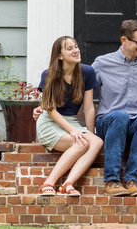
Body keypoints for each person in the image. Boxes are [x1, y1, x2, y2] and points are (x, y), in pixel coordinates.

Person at [91, 19, 137, 197]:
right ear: (124, 40)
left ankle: (133, 181)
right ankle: (112, 181)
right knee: (120, 116)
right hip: (109, 121)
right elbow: (80, 90)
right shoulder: (102, 63)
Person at [34, 36, 104, 197]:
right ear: (60, 56)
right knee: (81, 143)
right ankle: (48, 184)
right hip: (50, 122)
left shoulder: (87, 72)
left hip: (71, 121)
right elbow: (50, 110)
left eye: (76, 46)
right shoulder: (49, 75)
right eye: (70, 48)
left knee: (96, 141)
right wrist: (73, 131)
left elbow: (88, 107)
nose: (76, 50)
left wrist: (90, 131)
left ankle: (68, 184)